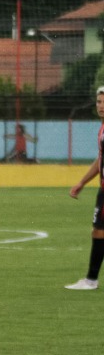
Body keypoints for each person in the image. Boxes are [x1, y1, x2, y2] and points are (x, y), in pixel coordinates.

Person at [65, 86, 104, 290]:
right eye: (99, 102)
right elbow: (100, 160)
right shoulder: (102, 129)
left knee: (99, 231)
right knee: (98, 231)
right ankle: (91, 279)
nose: (101, 106)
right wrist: (82, 182)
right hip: (102, 189)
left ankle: (91, 280)